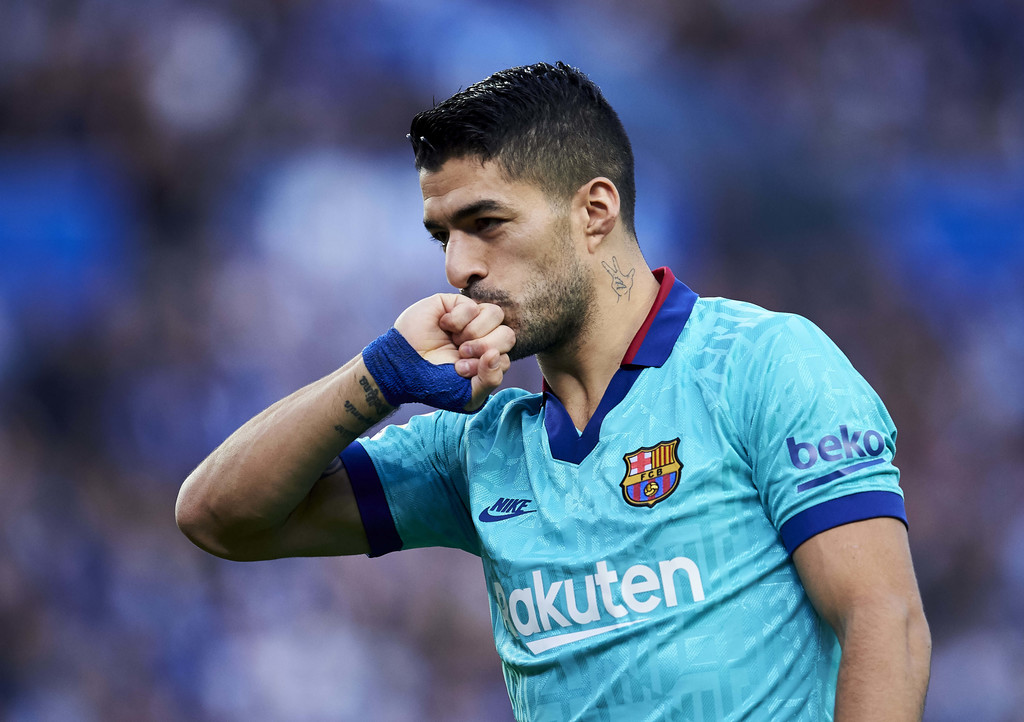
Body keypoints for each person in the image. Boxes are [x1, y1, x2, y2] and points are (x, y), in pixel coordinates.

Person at [176, 62, 931, 720]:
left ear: (594, 211)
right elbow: (219, 518)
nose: (458, 267)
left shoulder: (762, 365)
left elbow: (883, 621)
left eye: (486, 221)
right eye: (444, 235)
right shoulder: (477, 445)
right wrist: (376, 379)